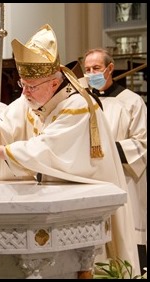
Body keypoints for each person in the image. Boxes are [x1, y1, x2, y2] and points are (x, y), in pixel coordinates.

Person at [0, 24, 140, 275]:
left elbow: (46, 149)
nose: (24, 91)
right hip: (56, 197)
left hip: (86, 200)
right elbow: (9, 124)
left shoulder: (78, 105)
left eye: (30, 86)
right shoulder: (35, 94)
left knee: (91, 264)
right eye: (22, 84)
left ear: (53, 83)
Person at [83, 47, 147, 274]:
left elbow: (142, 144)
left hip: (124, 180)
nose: (91, 73)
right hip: (91, 181)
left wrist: (106, 151)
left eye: (96, 68)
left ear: (110, 68)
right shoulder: (80, 103)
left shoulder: (131, 102)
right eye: (87, 69)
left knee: (124, 239)